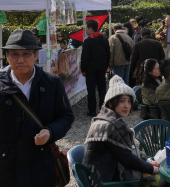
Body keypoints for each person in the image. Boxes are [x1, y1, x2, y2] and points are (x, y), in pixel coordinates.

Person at [0, 29, 74, 186]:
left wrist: (50, 131)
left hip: (40, 165)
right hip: (6, 167)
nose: (20, 59)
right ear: (7, 57)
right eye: (14, 54)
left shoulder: (52, 83)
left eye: (26, 54)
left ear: (35, 55)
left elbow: (66, 116)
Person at [83, 76, 161, 185]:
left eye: (129, 101)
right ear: (110, 103)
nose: (127, 106)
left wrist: (147, 161)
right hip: (104, 181)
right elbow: (127, 159)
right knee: (159, 180)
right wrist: (151, 169)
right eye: (122, 101)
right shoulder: (110, 124)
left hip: (109, 172)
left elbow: (129, 150)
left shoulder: (108, 117)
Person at [81, 19, 111, 117]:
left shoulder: (88, 41)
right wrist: (106, 65)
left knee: (91, 89)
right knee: (102, 88)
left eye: (86, 28)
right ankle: (103, 108)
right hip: (102, 68)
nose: (85, 30)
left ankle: (92, 110)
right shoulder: (104, 38)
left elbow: (85, 57)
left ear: (90, 28)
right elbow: (108, 54)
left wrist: (83, 69)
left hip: (91, 69)